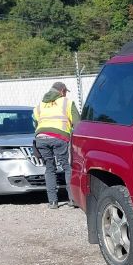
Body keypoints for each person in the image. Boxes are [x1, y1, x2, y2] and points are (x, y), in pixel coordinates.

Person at [33, 81, 80, 209]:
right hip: (59, 137)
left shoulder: (40, 105)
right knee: (67, 167)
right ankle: (73, 199)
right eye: (65, 92)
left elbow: (36, 121)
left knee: (49, 168)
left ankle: (52, 202)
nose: (65, 94)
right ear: (62, 91)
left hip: (41, 138)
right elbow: (77, 123)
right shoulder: (67, 103)